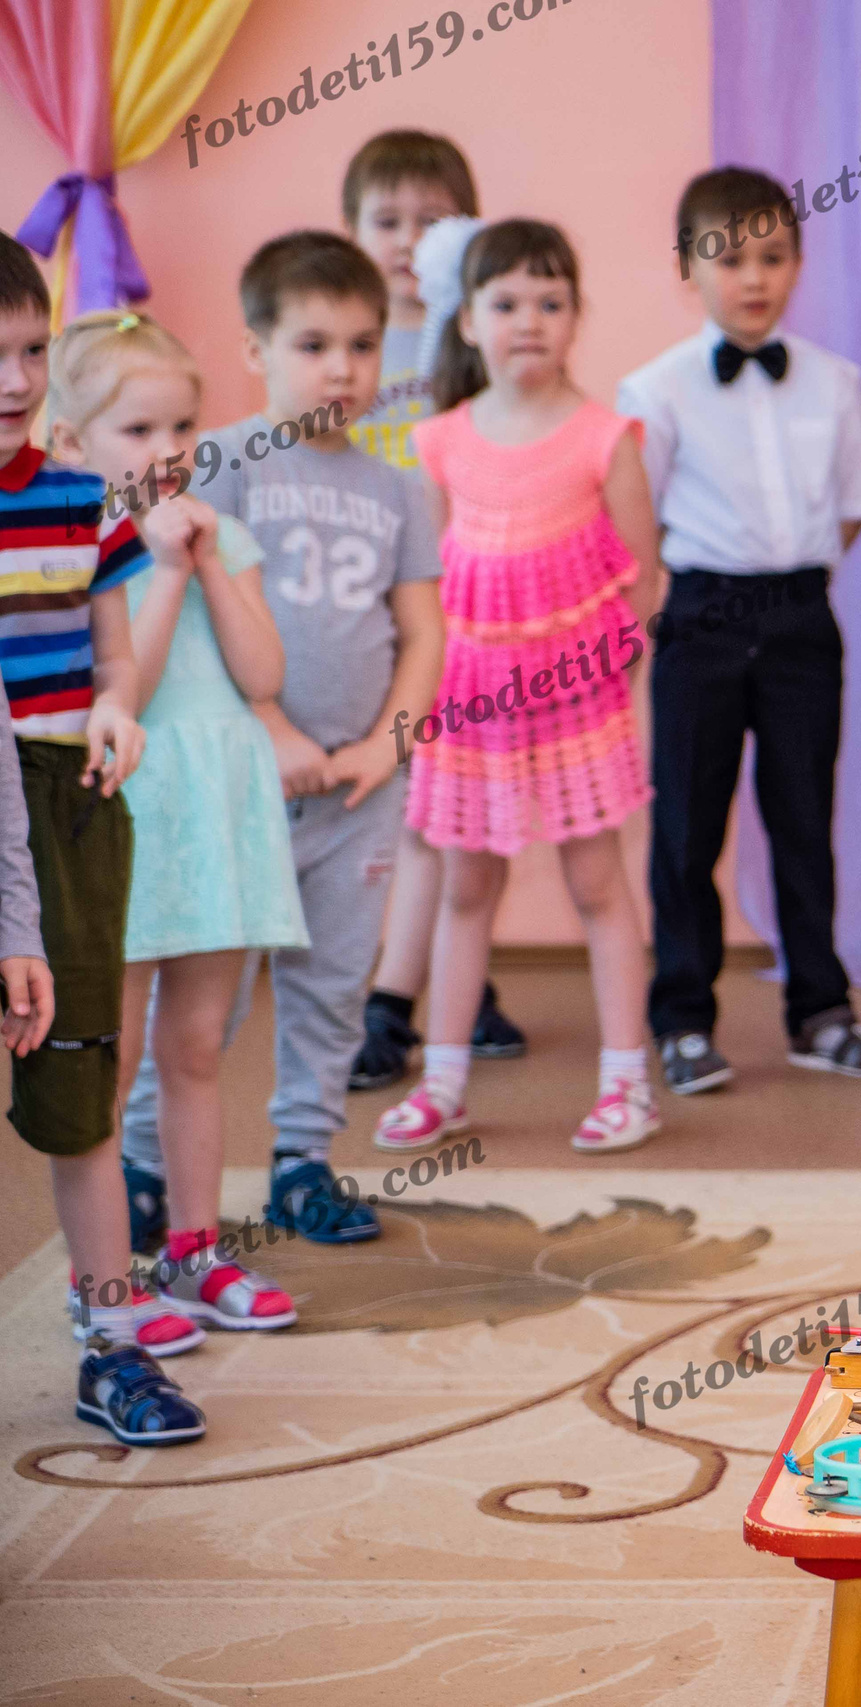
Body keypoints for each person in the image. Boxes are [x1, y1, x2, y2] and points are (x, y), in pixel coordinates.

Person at [122, 234, 444, 1249]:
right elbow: (198, 616)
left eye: (362, 344)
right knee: (199, 997)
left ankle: (304, 1161)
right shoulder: (213, 462)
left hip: (356, 791)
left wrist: (385, 748)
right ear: (257, 348)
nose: (342, 369)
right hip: (236, 779)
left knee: (336, 982)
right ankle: (144, 1164)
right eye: (313, 344)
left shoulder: (400, 489)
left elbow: (425, 630)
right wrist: (270, 729)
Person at [374, 219, 661, 1153]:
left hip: (579, 705)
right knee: (465, 888)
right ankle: (444, 1079)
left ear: (576, 317)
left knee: (598, 883)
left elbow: (643, 581)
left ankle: (627, 1083)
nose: (528, 320)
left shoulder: (605, 437)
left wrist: (602, 670)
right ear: (467, 323)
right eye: (505, 303)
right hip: (469, 707)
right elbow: (424, 588)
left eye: (550, 301)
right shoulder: (441, 442)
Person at [619, 168, 861, 1094]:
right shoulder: (654, 388)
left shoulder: (834, 380)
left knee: (801, 820)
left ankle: (821, 1012)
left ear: (799, 263)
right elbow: (637, 519)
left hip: (799, 617)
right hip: (700, 614)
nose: (753, 277)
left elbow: (852, 509)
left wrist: (793, 580)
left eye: (773, 256)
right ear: (685, 267)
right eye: (728, 257)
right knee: (686, 827)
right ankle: (683, 1020)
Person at [50, 311, 305, 1334]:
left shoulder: (218, 534)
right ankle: (101, 1277)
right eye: (139, 430)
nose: (168, 453)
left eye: (183, 427)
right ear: (73, 441)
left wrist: (201, 561)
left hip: (218, 817)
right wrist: (153, 569)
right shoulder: (75, 550)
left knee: (198, 1046)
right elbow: (132, 692)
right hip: (126, 815)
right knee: (107, 1055)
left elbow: (265, 675)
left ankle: (197, 1251)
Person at [0, 235, 200, 1444]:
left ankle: (114, 1343)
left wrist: (115, 710)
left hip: (71, 804)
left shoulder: (84, 502)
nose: (14, 381)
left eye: (30, 352)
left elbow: (114, 654)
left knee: (85, 1080)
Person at [336, 129, 528, 1086]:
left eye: (433, 221)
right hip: (375, 617)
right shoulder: (350, 346)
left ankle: (453, 984)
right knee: (398, 815)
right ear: (351, 232)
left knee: (461, 810)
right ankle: (388, 994)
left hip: (472, 616)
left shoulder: (478, 340)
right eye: (387, 221)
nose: (409, 240)